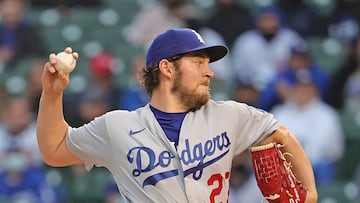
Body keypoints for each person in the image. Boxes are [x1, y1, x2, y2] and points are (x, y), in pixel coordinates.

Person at [36, 28, 317, 202]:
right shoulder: (118, 126)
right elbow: (55, 149)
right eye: (198, 62)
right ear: (168, 69)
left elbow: (279, 133)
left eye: (207, 63)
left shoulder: (230, 115)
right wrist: (52, 93)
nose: (209, 72)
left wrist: (311, 194)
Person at [271, 70, 344, 186]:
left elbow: (333, 150)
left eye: (307, 88)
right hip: (285, 167)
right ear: (293, 89)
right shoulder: (280, 113)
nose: (303, 92)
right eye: (299, 88)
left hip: (316, 168)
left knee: (323, 166)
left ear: (315, 90)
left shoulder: (327, 114)